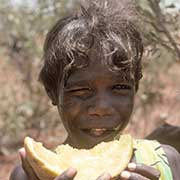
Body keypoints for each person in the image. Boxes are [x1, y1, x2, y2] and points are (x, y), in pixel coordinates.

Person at [10, 0, 180, 180]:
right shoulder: (31, 174)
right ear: (52, 91)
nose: (102, 108)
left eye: (120, 87)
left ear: (135, 88)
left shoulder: (168, 161)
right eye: (81, 90)